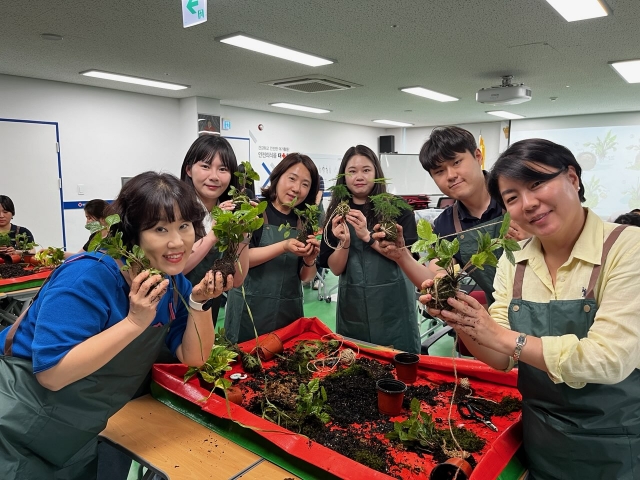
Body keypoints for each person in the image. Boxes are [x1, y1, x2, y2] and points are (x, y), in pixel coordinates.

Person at [423, 138, 640, 478]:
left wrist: (500, 335)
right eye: (512, 198)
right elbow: (500, 357)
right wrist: (459, 316)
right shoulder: (516, 260)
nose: (528, 203)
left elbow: (608, 359)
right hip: (542, 443)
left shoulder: (627, 248)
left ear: (572, 178)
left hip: (617, 446)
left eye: (537, 184)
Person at [0, 172, 233, 479]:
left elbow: (194, 357)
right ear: (132, 232)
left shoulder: (173, 284)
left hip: (77, 432)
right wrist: (134, 322)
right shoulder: (88, 276)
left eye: (184, 226)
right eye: (160, 228)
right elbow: (52, 374)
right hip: (16, 424)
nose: (177, 242)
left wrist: (199, 303)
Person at [377, 126, 520, 306]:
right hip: (502, 317)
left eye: (456, 162)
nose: (451, 175)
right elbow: (435, 275)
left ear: (478, 156)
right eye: (439, 171)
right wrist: (401, 255)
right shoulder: (447, 223)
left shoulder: (517, 194)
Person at [317, 145, 420, 353]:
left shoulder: (398, 208)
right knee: (357, 368)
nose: (359, 176)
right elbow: (336, 269)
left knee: (399, 370)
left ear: (376, 173)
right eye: (352, 171)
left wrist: (367, 237)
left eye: (366, 170)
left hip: (394, 306)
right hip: (354, 308)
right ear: (343, 177)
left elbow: (408, 258)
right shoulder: (336, 214)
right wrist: (345, 242)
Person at [224, 153, 320, 344]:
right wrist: (284, 246)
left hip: (287, 313)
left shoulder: (304, 221)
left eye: (305, 184)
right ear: (277, 177)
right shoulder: (254, 211)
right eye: (291, 179)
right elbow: (243, 260)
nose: (296, 189)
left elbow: (306, 278)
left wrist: (310, 260)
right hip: (249, 312)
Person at [180, 135, 250, 326]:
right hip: (169, 316)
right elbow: (175, 269)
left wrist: (243, 234)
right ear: (188, 169)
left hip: (204, 315)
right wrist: (214, 234)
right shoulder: (175, 211)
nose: (214, 176)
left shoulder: (229, 213)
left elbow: (237, 280)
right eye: (205, 166)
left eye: (223, 169)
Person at [312, 174, 326, 290]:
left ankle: (318, 278)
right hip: (307, 215)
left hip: (317, 215)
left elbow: (318, 197)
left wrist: (312, 209)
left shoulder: (319, 178)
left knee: (318, 246)